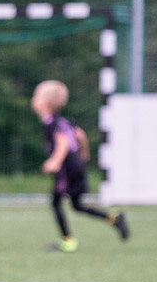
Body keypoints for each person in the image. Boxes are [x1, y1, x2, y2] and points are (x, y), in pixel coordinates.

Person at [32, 79, 127, 252]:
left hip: (66, 170)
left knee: (55, 202)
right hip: (75, 167)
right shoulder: (64, 121)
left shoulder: (50, 122)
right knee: (77, 205)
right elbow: (80, 135)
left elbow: (63, 142)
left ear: (45, 103)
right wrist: (83, 155)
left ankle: (67, 241)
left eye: (36, 96)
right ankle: (113, 219)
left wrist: (55, 161)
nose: (34, 100)